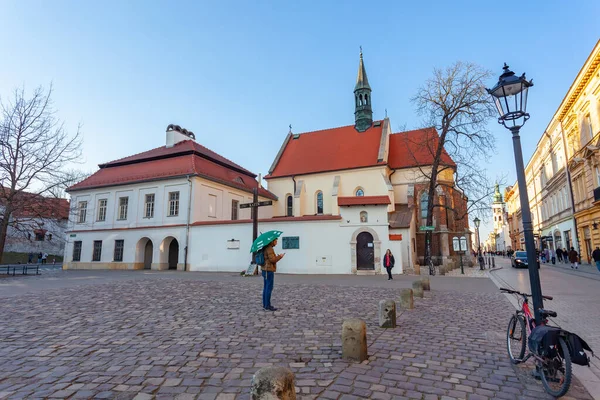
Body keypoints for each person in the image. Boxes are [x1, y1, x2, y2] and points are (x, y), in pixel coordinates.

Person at [261, 239, 285, 311]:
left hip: (264, 269)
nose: (276, 243)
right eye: (276, 241)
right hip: (268, 270)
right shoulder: (269, 249)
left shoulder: (265, 247)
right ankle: (267, 305)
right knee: (269, 288)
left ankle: (265, 304)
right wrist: (280, 256)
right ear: (272, 241)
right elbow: (272, 260)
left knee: (266, 287)